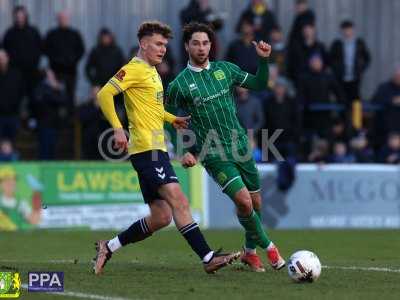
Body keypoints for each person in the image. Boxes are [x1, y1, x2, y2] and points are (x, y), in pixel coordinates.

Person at [94, 21, 239, 275]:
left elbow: (151, 108)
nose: (163, 50)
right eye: (158, 44)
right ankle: (208, 257)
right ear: (143, 44)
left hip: (155, 149)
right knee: (179, 200)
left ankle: (109, 246)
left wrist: (172, 119)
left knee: (161, 217)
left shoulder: (152, 71)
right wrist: (118, 128)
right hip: (146, 150)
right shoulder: (134, 69)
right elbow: (104, 94)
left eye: (165, 45)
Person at [166, 22, 285, 273]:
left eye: (206, 43)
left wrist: (263, 61)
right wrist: (182, 150)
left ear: (212, 45)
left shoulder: (225, 70)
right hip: (212, 153)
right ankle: (270, 247)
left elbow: (259, 84)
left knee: (257, 203)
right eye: (196, 43)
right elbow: (167, 119)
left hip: (240, 146)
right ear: (187, 46)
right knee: (244, 202)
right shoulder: (179, 84)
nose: (201, 48)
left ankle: (250, 253)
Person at [44, 10, 85, 108]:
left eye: (65, 18)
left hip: (70, 72)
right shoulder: (51, 34)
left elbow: (81, 50)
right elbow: (45, 49)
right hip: (55, 72)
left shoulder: (75, 34)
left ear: (68, 19)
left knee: (70, 98)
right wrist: (56, 60)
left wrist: (73, 60)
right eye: (61, 18)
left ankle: (69, 120)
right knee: (54, 97)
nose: (63, 20)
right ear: (58, 20)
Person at [2, 5, 41, 105]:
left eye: (21, 16)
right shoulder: (9, 33)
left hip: (32, 73)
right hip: (15, 73)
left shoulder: (34, 32)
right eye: (17, 17)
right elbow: (4, 52)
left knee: (33, 100)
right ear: (14, 17)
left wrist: (34, 63)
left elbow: (40, 49)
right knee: (16, 100)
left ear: (25, 16)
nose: (19, 19)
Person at [330, 20, 371, 104]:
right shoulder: (337, 44)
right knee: (342, 99)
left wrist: (361, 69)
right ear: (341, 31)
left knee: (356, 99)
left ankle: (357, 117)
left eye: (349, 29)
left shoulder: (359, 43)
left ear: (353, 30)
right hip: (341, 77)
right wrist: (336, 70)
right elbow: (331, 59)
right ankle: (343, 117)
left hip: (355, 77)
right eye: (345, 30)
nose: (347, 32)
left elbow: (367, 58)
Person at [0, 49, 24, 142]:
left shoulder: (16, 74)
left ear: (7, 58)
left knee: (12, 142)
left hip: (13, 115)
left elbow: (21, 92)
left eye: (2, 58)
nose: (1, 60)